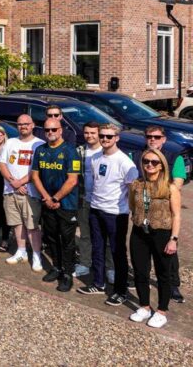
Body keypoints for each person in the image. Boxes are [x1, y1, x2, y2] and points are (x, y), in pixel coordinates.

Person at [78, 123, 138, 306]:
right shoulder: (95, 158)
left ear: (117, 138)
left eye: (109, 136)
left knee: (117, 252)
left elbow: (133, 191)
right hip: (96, 209)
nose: (104, 139)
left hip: (116, 214)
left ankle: (121, 291)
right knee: (97, 247)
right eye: (102, 136)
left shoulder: (125, 163)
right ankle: (98, 282)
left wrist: (134, 212)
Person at [127, 149, 181, 329]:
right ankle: (144, 306)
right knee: (140, 271)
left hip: (162, 234)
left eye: (154, 162)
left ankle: (161, 311)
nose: (149, 165)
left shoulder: (170, 187)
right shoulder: (136, 184)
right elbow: (132, 205)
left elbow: (177, 215)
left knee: (162, 273)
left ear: (162, 165)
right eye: (146, 161)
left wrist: (173, 239)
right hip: (139, 232)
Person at [30, 118, 81, 292]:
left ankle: (67, 273)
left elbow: (72, 180)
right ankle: (57, 267)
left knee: (67, 240)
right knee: (51, 237)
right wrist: (47, 198)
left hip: (66, 204)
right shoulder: (40, 150)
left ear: (60, 130)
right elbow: (35, 175)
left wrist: (56, 198)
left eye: (54, 130)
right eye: (47, 130)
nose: (50, 133)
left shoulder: (70, 151)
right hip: (47, 202)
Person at [144, 125, 186, 304]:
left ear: (164, 139)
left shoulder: (174, 157)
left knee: (168, 251)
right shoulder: (143, 156)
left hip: (165, 210)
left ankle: (173, 284)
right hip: (144, 209)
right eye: (149, 136)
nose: (152, 139)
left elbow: (178, 183)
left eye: (156, 137)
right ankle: (142, 280)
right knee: (144, 248)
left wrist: (159, 195)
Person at [0, 114, 45, 271]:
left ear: (33, 125)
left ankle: (37, 255)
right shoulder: (10, 142)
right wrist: (13, 182)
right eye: (20, 124)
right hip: (10, 190)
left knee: (32, 226)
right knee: (17, 223)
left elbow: (37, 170)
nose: (23, 126)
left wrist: (21, 182)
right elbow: (2, 165)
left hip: (30, 192)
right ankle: (21, 251)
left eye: (26, 124)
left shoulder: (40, 144)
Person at [75, 122, 102, 278]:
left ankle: (108, 267)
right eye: (87, 133)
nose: (90, 136)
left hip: (103, 202)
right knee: (85, 234)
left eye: (93, 133)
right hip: (84, 199)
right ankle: (85, 263)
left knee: (104, 237)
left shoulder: (107, 151)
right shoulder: (79, 151)